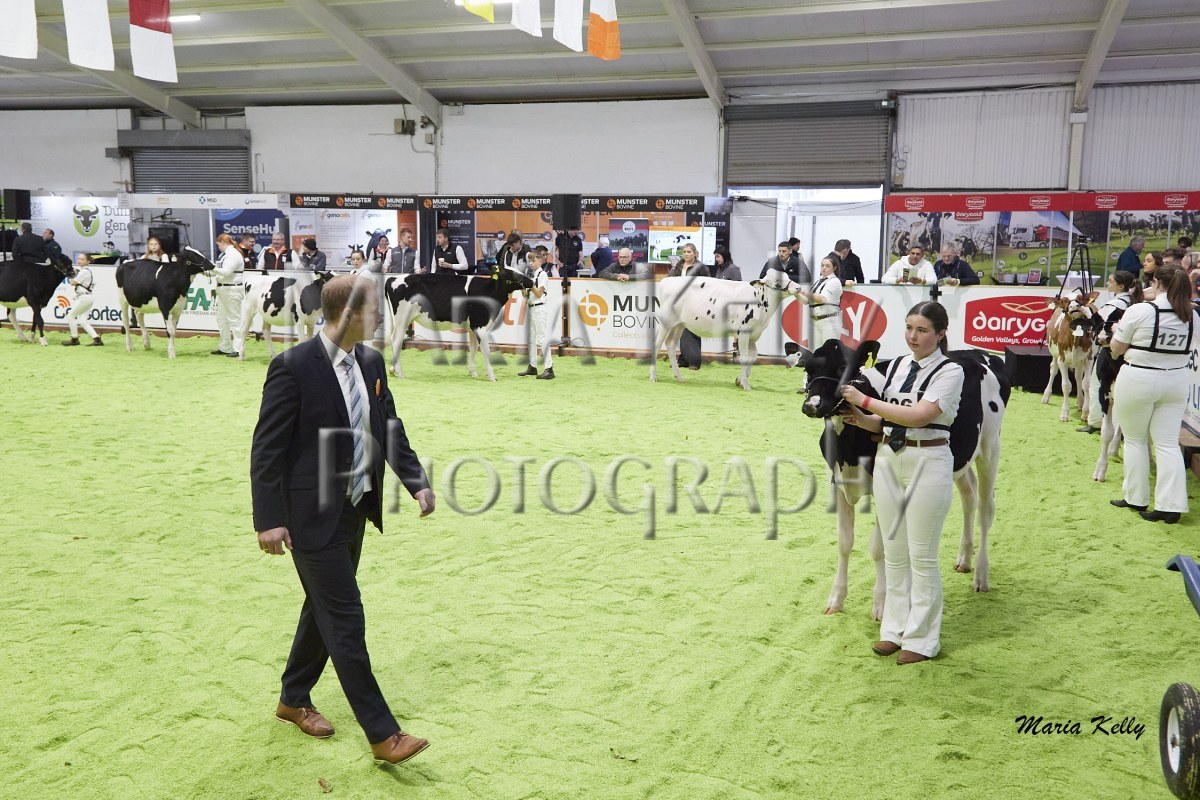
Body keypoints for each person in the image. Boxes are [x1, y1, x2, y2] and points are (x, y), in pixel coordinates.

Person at [251, 275, 436, 766]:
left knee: (324, 608)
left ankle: (293, 699)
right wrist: (268, 520)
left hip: (356, 508)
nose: (380, 318)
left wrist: (416, 481)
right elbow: (266, 449)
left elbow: (389, 427)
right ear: (349, 313)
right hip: (308, 516)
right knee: (346, 618)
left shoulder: (370, 362)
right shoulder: (292, 367)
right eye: (374, 310)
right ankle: (383, 734)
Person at [838, 301, 965, 664]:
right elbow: (890, 422)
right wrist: (861, 418)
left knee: (922, 556)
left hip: (929, 460)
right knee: (894, 553)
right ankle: (893, 630)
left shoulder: (950, 371)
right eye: (909, 328)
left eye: (922, 330)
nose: (913, 336)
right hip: (889, 459)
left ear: (940, 334)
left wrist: (865, 400)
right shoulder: (895, 366)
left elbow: (920, 415)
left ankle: (922, 640)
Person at [1109, 264, 1198, 525]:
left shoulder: (1140, 311)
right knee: (1167, 443)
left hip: (1139, 377)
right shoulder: (1192, 315)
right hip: (1176, 381)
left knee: (1135, 440)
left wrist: (1115, 333)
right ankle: (1171, 506)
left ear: (1157, 283)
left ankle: (1136, 497)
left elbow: (1116, 348)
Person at [1078, 270, 1142, 433]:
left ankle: (1096, 422)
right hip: (1129, 351)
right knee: (1120, 389)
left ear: (1120, 286)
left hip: (1109, 350)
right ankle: (1120, 428)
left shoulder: (1114, 305)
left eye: (1111, 281)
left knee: (1098, 385)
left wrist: (1086, 312)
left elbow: (1097, 324)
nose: (1107, 284)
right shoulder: (1135, 303)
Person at [668, 243, 709, 370]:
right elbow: (671, 280)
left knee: (693, 330)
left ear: (694, 253)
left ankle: (694, 362)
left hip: (696, 302)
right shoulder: (678, 266)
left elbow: (707, 284)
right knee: (681, 330)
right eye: (684, 252)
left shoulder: (701, 267)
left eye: (689, 252)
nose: (686, 254)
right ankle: (683, 360)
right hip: (680, 302)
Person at [517, 249, 556, 380]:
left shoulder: (543, 275)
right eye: (530, 261)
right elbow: (526, 295)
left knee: (542, 338)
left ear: (540, 260)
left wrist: (530, 285)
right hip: (532, 307)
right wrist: (523, 287)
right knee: (531, 339)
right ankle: (532, 366)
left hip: (540, 308)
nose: (531, 263)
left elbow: (539, 293)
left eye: (533, 260)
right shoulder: (532, 275)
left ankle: (549, 368)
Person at [213, 233, 246, 358]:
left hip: (232, 289)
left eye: (218, 245)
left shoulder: (233, 255)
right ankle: (225, 347)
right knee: (222, 319)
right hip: (224, 289)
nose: (219, 247)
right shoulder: (226, 255)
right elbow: (220, 271)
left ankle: (238, 349)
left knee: (234, 320)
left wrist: (211, 268)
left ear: (223, 242)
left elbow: (226, 272)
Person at [799, 256, 843, 348]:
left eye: (827, 266)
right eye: (822, 265)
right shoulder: (818, 281)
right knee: (814, 352)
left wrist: (806, 293)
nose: (824, 268)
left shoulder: (834, 281)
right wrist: (795, 293)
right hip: (814, 321)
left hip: (829, 321)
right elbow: (806, 301)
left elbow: (822, 299)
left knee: (829, 352)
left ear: (834, 268)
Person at [62, 253, 103, 346]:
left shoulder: (84, 272)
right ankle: (97, 339)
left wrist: (72, 275)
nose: (79, 261)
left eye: (82, 259)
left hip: (84, 298)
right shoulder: (84, 271)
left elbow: (72, 283)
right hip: (87, 297)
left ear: (88, 261)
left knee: (70, 316)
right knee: (83, 321)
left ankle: (74, 339)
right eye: (79, 259)